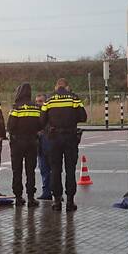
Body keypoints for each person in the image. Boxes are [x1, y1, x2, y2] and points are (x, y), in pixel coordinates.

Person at [41, 77, 87, 211]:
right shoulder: (74, 98)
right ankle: (70, 202)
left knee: (55, 169)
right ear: (67, 87)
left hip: (54, 138)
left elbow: (42, 120)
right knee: (70, 170)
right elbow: (83, 117)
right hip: (70, 137)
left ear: (56, 86)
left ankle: (57, 201)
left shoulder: (49, 99)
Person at [6, 83, 41, 207]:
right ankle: (31, 198)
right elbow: (40, 125)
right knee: (30, 171)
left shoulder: (16, 108)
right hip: (32, 142)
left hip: (17, 143)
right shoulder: (35, 107)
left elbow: (10, 126)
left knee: (17, 170)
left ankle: (18, 197)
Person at [35, 93, 52, 201]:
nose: (38, 104)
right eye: (37, 101)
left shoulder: (50, 113)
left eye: (40, 101)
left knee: (53, 170)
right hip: (40, 146)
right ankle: (46, 192)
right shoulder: (35, 113)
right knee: (43, 169)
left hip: (49, 144)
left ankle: (56, 192)